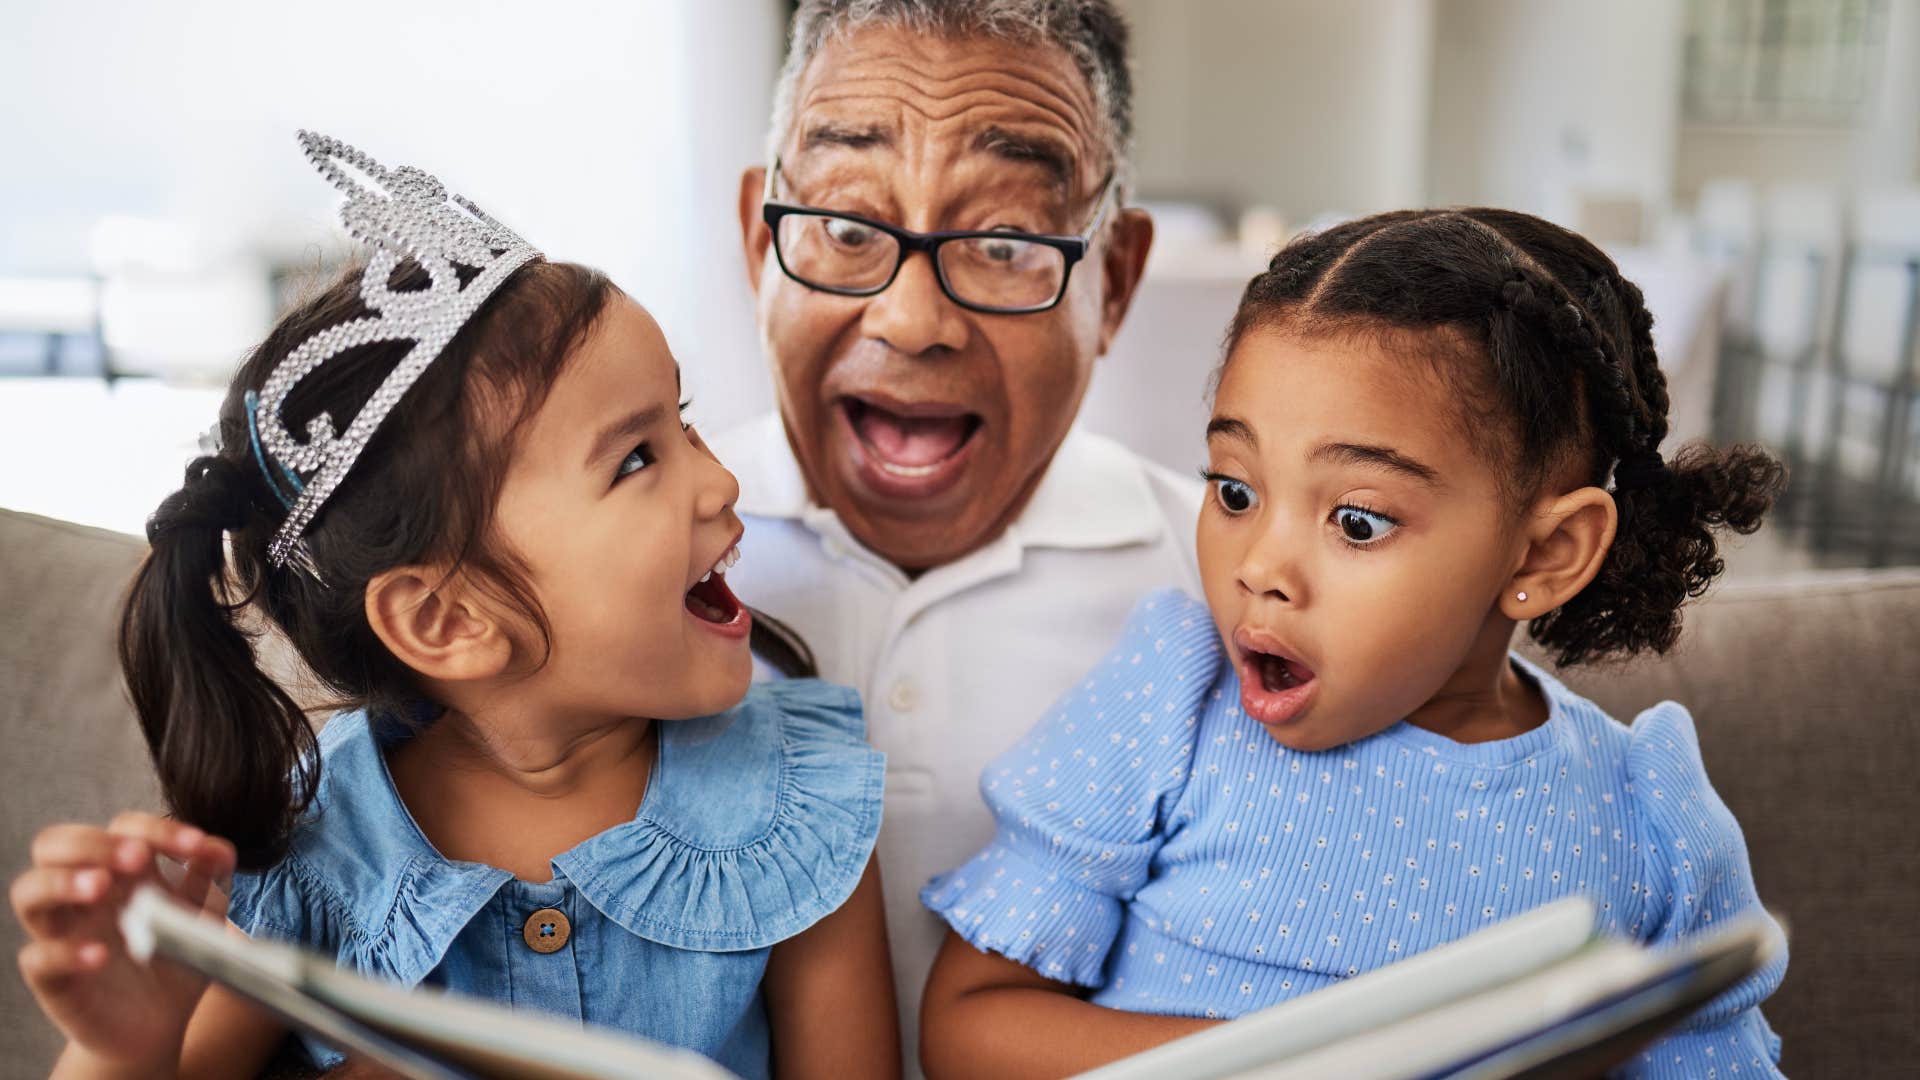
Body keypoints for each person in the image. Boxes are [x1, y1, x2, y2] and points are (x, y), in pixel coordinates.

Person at [10, 132, 898, 1080]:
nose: (721, 484)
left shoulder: (797, 802)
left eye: (682, 424)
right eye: (636, 459)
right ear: (447, 620)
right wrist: (124, 1047)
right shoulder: (309, 860)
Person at [918, 208, 1790, 1079]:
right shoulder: (1168, 709)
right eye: (1233, 491)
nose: (1260, 566)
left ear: (1543, 554)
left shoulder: (1645, 821)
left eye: (1358, 521)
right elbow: (970, 1029)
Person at [715, 2, 1193, 1055]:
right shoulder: (622, 559)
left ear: (1111, 280)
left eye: (1006, 241)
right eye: (844, 228)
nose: (913, 320)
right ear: (761, 240)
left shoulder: (1237, 587)